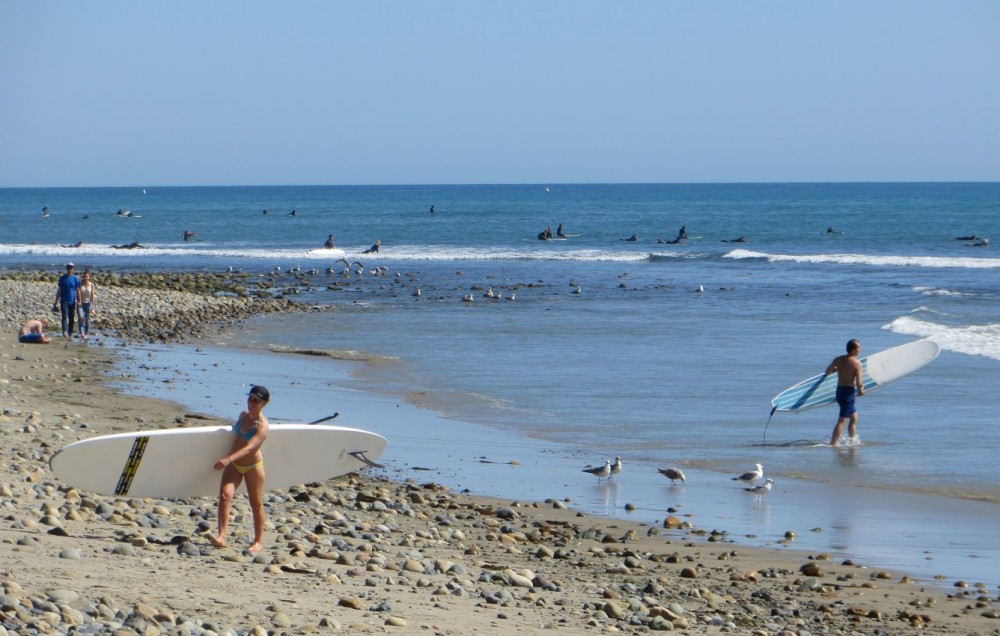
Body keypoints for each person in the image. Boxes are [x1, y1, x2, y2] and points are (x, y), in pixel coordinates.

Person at [212, 386, 271, 554]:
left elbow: (249, 449)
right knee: (224, 496)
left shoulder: (262, 426)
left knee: (256, 503)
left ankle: (258, 542)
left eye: (256, 400)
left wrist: (227, 459)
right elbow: (232, 434)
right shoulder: (243, 416)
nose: (251, 402)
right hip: (234, 465)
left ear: (263, 403)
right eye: (250, 398)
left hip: (253, 467)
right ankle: (221, 536)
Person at [825, 339, 864, 446]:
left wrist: (837, 370)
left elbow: (827, 372)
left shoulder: (838, 359)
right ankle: (832, 445)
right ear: (854, 349)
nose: (859, 350)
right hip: (848, 393)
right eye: (858, 348)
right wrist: (860, 391)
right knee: (842, 421)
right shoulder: (857, 364)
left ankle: (852, 441)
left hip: (839, 392)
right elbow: (859, 382)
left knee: (854, 417)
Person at [52, 263, 81, 339]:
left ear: (73, 269)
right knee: (64, 316)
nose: (69, 269)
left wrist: (79, 300)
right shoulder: (62, 278)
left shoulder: (75, 279)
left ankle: (70, 332)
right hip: (64, 300)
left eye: (71, 267)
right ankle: (64, 331)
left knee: (71, 317)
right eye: (68, 267)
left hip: (72, 300)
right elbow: (59, 290)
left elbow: (78, 290)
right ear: (66, 268)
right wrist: (56, 301)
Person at [77, 270, 96, 341]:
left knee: (87, 320)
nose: (85, 277)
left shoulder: (91, 285)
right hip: (81, 304)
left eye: (87, 276)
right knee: (81, 318)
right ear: (83, 276)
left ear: (89, 277)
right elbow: (78, 292)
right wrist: (79, 301)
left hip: (88, 304)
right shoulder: (80, 284)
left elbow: (92, 295)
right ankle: (81, 333)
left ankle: (86, 334)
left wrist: (92, 305)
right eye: (84, 276)